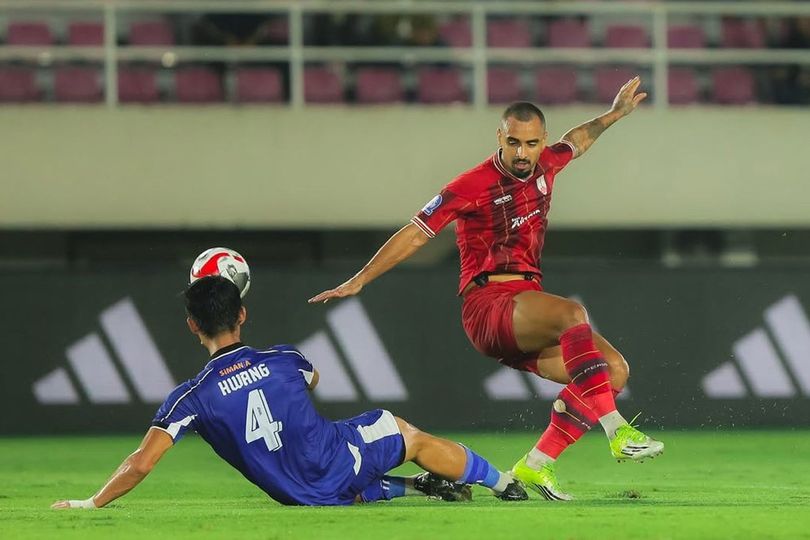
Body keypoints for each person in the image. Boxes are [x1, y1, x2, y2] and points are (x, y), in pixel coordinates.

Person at [309, 76, 664, 501]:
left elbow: (578, 140)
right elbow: (418, 232)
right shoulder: (471, 184)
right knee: (572, 314)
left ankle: (535, 467)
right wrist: (361, 278)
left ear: (541, 141)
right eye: (513, 142)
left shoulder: (548, 162)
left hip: (524, 313)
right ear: (500, 136)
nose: (521, 153)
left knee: (612, 372)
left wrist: (614, 114)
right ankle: (616, 430)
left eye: (531, 144)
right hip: (489, 304)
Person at [52, 276, 526, 510]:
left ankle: (417, 487)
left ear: (192, 325)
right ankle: (504, 484)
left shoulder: (189, 398)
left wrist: (90, 503)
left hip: (296, 495)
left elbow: (141, 462)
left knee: (318, 472)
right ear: (242, 315)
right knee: (405, 433)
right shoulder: (284, 360)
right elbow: (313, 380)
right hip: (332, 464)